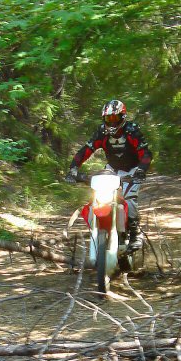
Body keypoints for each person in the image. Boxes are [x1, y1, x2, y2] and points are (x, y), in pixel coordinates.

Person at [65, 99, 152, 251]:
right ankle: (99, 227)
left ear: (122, 117)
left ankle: (134, 235)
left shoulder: (132, 130)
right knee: (98, 198)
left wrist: (141, 171)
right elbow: (86, 150)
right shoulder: (101, 132)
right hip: (111, 170)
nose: (111, 123)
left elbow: (145, 153)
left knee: (129, 199)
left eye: (114, 118)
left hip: (132, 170)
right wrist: (73, 169)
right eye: (108, 119)